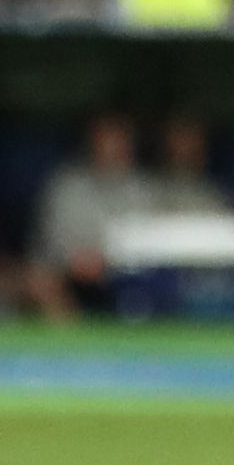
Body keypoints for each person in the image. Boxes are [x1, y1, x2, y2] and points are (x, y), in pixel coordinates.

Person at [29, 111, 152, 320]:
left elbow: (151, 246)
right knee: (38, 281)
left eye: (118, 138)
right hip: (70, 278)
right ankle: (72, 342)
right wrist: (78, 261)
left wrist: (109, 263)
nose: (111, 146)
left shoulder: (143, 189)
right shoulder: (67, 185)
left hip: (126, 278)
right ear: (92, 140)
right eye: (105, 137)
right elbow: (51, 246)